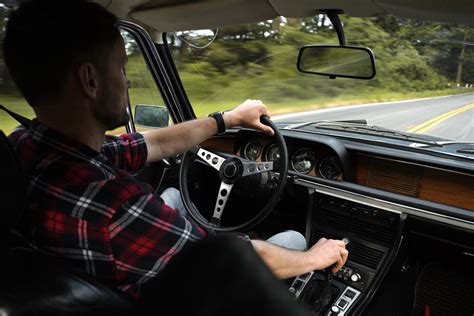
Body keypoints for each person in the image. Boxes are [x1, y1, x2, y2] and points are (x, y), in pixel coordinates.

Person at [4, 0, 348, 300]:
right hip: (167, 297)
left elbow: (156, 142)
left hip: (90, 276)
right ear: (90, 81)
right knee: (290, 240)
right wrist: (316, 257)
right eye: (121, 68)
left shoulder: (27, 146)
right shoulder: (111, 205)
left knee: (174, 195)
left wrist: (227, 119)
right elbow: (228, 259)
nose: (125, 81)